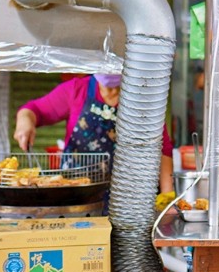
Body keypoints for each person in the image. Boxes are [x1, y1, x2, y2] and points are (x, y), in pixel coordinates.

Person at [14, 73, 174, 193]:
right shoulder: (76, 89)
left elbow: (162, 148)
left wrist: (167, 199)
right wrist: (25, 121)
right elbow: (33, 110)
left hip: (127, 201)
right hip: (75, 196)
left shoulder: (142, 100)